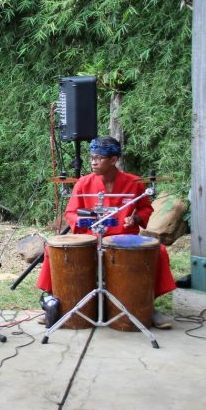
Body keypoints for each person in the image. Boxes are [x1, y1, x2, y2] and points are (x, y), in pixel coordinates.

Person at [36, 136, 176, 329]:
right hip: (92, 238)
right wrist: (84, 222)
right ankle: (56, 304)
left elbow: (146, 208)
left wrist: (135, 219)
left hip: (124, 239)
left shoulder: (134, 182)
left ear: (113, 160)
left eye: (99, 158)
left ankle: (146, 306)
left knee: (158, 252)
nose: (93, 162)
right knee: (54, 250)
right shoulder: (83, 183)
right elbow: (70, 212)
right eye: (92, 157)